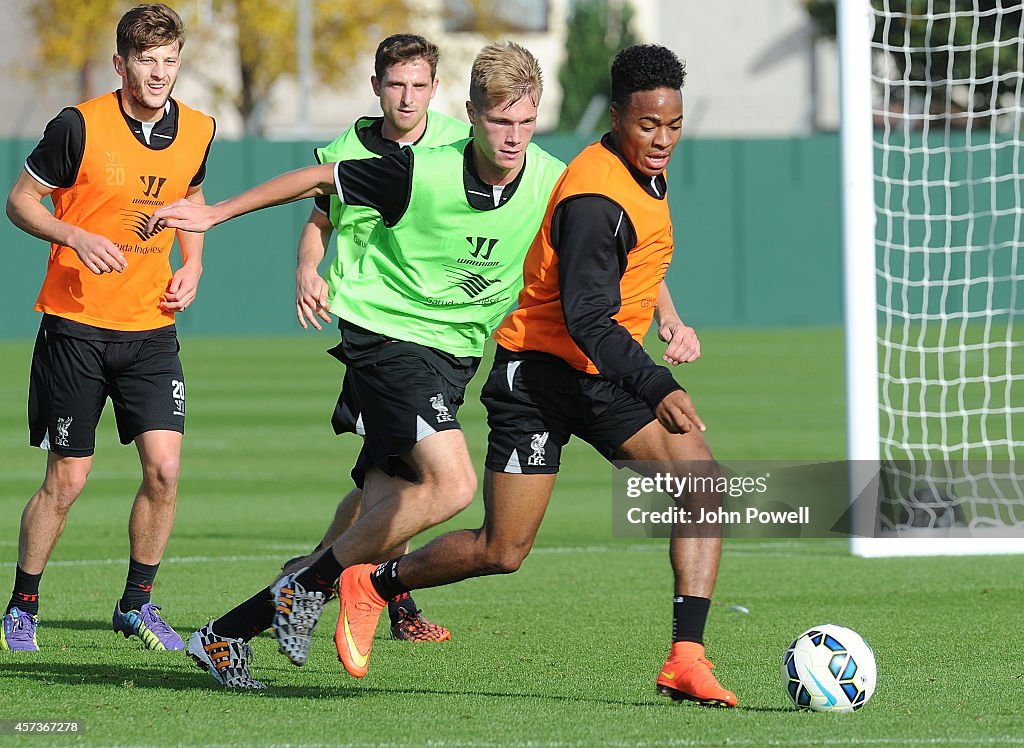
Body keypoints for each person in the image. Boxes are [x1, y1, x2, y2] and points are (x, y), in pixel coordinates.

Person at [332, 44, 739, 707]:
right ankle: (372, 584)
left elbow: (630, 268)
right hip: (541, 379)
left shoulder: (642, 175)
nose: (662, 139)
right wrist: (658, 384)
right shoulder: (593, 199)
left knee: (701, 485)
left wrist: (666, 318)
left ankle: (686, 658)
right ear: (615, 118)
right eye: (647, 126)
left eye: (673, 125)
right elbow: (586, 316)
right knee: (501, 550)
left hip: (600, 377)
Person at [151, 41, 566, 689]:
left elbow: (614, 236)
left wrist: (665, 313)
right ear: (472, 114)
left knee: (385, 503)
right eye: (497, 121)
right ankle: (315, 588)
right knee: (451, 487)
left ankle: (226, 635)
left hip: (452, 356)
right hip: (387, 339)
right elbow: (319, 181)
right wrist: (215, 213)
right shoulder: (417, 169)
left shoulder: (550, 179)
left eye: (524, 121)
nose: (512, 137)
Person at [1, 3, 215, 653]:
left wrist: (195, 265)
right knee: (68, 479)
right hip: (77, 326)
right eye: (146, 61)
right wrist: (73, 234)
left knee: (165, 471)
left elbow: (193, 201)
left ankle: (135, 606)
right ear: (120, 64)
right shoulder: (77, 127)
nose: (159, 73)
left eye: (169, 61)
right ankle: (22, 607)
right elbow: (19, 201)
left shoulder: (199, 128)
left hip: (151, 328)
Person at [289, 33, 469, 644]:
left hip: (436, 332)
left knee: (382, 479)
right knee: (416, 476)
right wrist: (307, 269)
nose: (408, 97)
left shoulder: (456, 144)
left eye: (419, 85)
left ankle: (307, 572)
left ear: (435, 90)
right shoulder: (344, 150)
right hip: (377, 335)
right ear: (376, 87)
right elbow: (318, 224)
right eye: (396, 84)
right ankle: (390, 601)